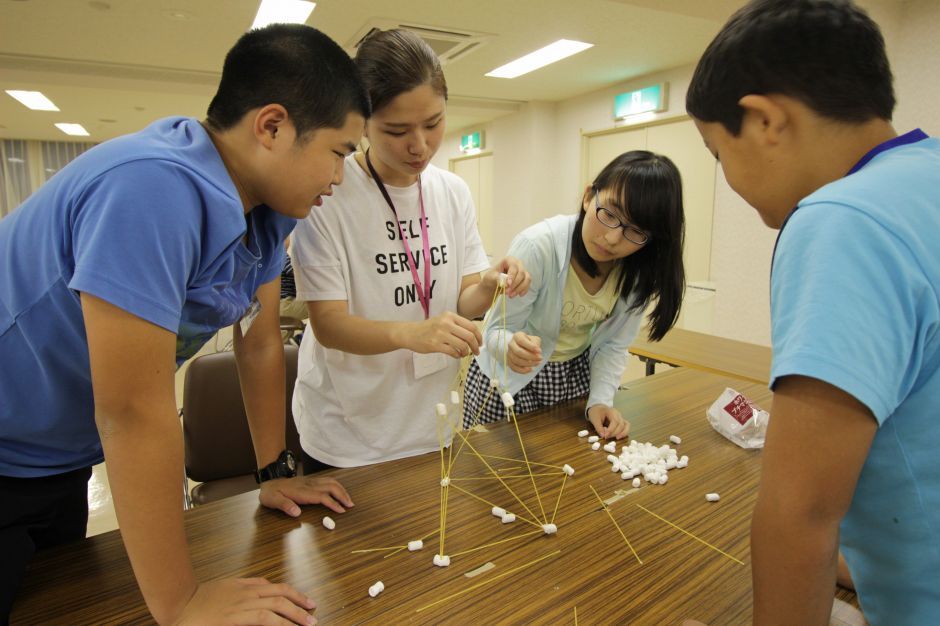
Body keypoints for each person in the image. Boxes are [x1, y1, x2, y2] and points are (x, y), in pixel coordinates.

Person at [0, 24, 369, 625]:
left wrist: (272, 474)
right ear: (272, 127)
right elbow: (133, 410)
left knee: (63, 601)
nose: (340, 176)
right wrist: (182, 602)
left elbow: (259, 342)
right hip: (8, 447)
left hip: (56, 456)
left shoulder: (268, 216)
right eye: (340, 151)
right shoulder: (149, 186)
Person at [686, 0, 940, 623]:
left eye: (719, 156)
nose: (729, 180)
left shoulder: (839, 221)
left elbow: (800, 513)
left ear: (765, 120)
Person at [290, 29, 530, 471]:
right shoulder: (328, 194)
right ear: (361, 122)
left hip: (431, 420)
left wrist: (493, 282)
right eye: (397, 130)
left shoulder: (452, 191)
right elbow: (329, 326)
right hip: (349, 431)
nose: (419, 145)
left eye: (434, 123)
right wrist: (412, 334)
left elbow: (464, 298)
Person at [462, 151, 685, 437]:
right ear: (589, 196)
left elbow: (613, 345)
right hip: (507, 379)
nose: (613, 238)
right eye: (609, 214)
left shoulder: (638, 271)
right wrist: (510, 346)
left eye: (636, 231)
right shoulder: (539, 247)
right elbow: (495, 332)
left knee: (566, 467)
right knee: (499, 471)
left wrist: (601, 400)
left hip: (571, 374)